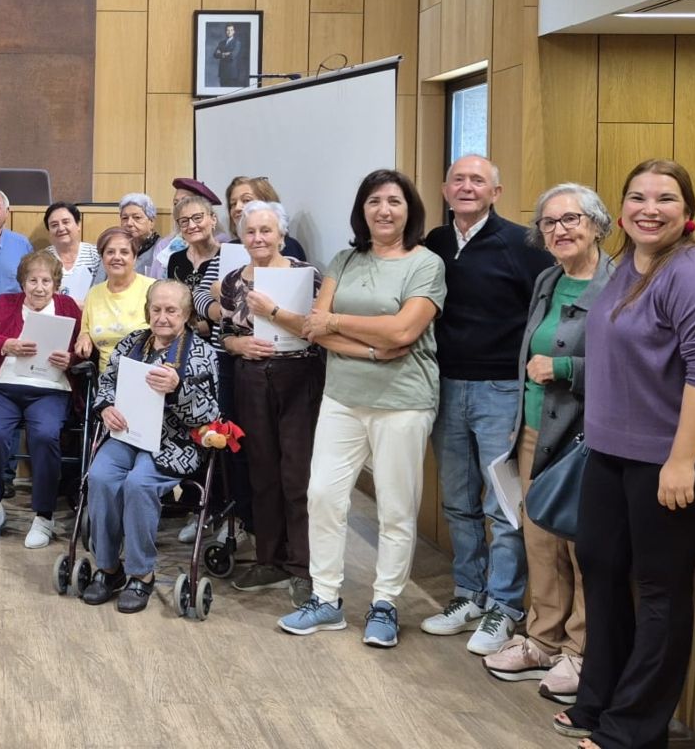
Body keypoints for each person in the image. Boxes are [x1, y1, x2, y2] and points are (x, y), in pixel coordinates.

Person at [555, 160, 695, 749]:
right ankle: (599, 702)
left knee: (660, 589)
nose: (649, 207)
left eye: (666, 198)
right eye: (637, 196)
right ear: (620, 211)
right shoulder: (627, 268)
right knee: (602, 568)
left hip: (676, 458)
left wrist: (682, 460)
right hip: (613, 452)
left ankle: (633, 732)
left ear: (688, 214)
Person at [278, 169, 445, 650]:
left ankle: (386, 604)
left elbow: (403, 333)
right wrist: (368, 346)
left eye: (394, 201)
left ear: (408, 208)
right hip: (343, 396)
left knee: (396, 507)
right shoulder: (344, 258)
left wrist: (338, 321)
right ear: (363, 210)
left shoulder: (426, 264)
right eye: (374, 201)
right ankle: (325, 600)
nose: (384, 210)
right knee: (323, 496)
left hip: (404, 401)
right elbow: (314, 329)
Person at [481, 184, 614, 704]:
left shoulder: (619, 285)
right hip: (535, 429)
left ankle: (583, 654)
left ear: (598, 224)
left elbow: (634, 365)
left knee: (583, 547)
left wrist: (564, 369)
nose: (560, 229)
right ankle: (542, 640)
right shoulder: (547, 280)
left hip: (588, 438)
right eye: (550, 222)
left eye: (572, 219)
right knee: (540, 540)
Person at [420, 156, 554, 653]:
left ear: (496, 192)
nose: (468, 186)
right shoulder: (434, 243)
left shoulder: (523, 245)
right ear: (444, 188)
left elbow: (546, 309)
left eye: (479, 180)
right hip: (446, 387)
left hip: (502, 391)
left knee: (503, 505)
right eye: (459, 179)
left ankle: (504, 606)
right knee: (457, 500)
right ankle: (468, 595)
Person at [77, 281, 219, 613]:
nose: (163, 317)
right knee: (99, 477)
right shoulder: (132, 343)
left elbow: (209, 415)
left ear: (185, 314)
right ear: (148, 310)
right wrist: (105, 408)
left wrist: (178, 388)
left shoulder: (201, 353)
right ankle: (109, 568)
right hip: (128, 433)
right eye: (156, 309)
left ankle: (141, 573)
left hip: (174, 442)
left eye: (171, 310)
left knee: (138, 484)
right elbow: (107, 382)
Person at [218, 201, 323, 606]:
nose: (258, 238)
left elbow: (319, 329)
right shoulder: (232, 280)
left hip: (298, 377)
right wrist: (238, 343)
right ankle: (269, 559)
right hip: (251, 378)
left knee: (296, 474)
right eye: (250, 231)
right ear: (241, 237)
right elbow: (225, 333)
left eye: (266, 230)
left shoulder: (306, 275)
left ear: (281, 234)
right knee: (261, 471)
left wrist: (273, 313)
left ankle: (302, 567)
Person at [0, 252, 84, 548]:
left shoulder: (68, 307)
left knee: (44, 436)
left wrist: (70, 358)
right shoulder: (6, 303)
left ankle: (44, 516)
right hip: (5, 388)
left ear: (56, 283)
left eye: (46, 281)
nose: (39, 287)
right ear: (23, 282)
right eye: (33, 280)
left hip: (51, 388)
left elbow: (85, 347)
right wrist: (5, 344)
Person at [76, 227, 156, 373]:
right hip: (106, 379)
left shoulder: (153, 289)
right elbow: (86, 329)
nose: (116, 257)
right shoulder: (94, 293)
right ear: (102, 258)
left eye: (124, 252)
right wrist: (84, 337)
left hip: (145, 373)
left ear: (135, 257)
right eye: (110, 252)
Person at [167, 194, 225, 339]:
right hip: (182, 337)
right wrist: (195, 321)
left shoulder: (227, 255)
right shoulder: (175, 259)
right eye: (184, 221)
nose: (191, 226)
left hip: (220, 338)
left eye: (197, 218)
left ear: (213, 219)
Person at [223, 176, 308, 261]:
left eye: (246, 200)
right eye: (233, 204)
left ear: (266, 203)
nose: (237, 208)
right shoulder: (228, 249)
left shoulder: (289, 246)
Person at [43, 201, 101, 302]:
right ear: (49, 231)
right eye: (54, 225)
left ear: (78, 225)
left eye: (66, 222)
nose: (61, 228)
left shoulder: (96, 254)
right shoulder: (43, 258)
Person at [118, 193, 160, 267]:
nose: (129, 223)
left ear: (151, 222)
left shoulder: (162, 248)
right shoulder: (115, 246)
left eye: (137, 217)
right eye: (125, 218)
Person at [214, 23, 243, 88]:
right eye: (228, 30)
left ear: (234, 31)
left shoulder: (237, 43)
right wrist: (226, 53)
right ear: (225, 31)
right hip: (222, 73)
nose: (229, 32)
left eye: (231, 30)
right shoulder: (221, 43)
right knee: (222, 93)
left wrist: (221, 54)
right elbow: (215, 55)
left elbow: (232, 56)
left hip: (231, 73)